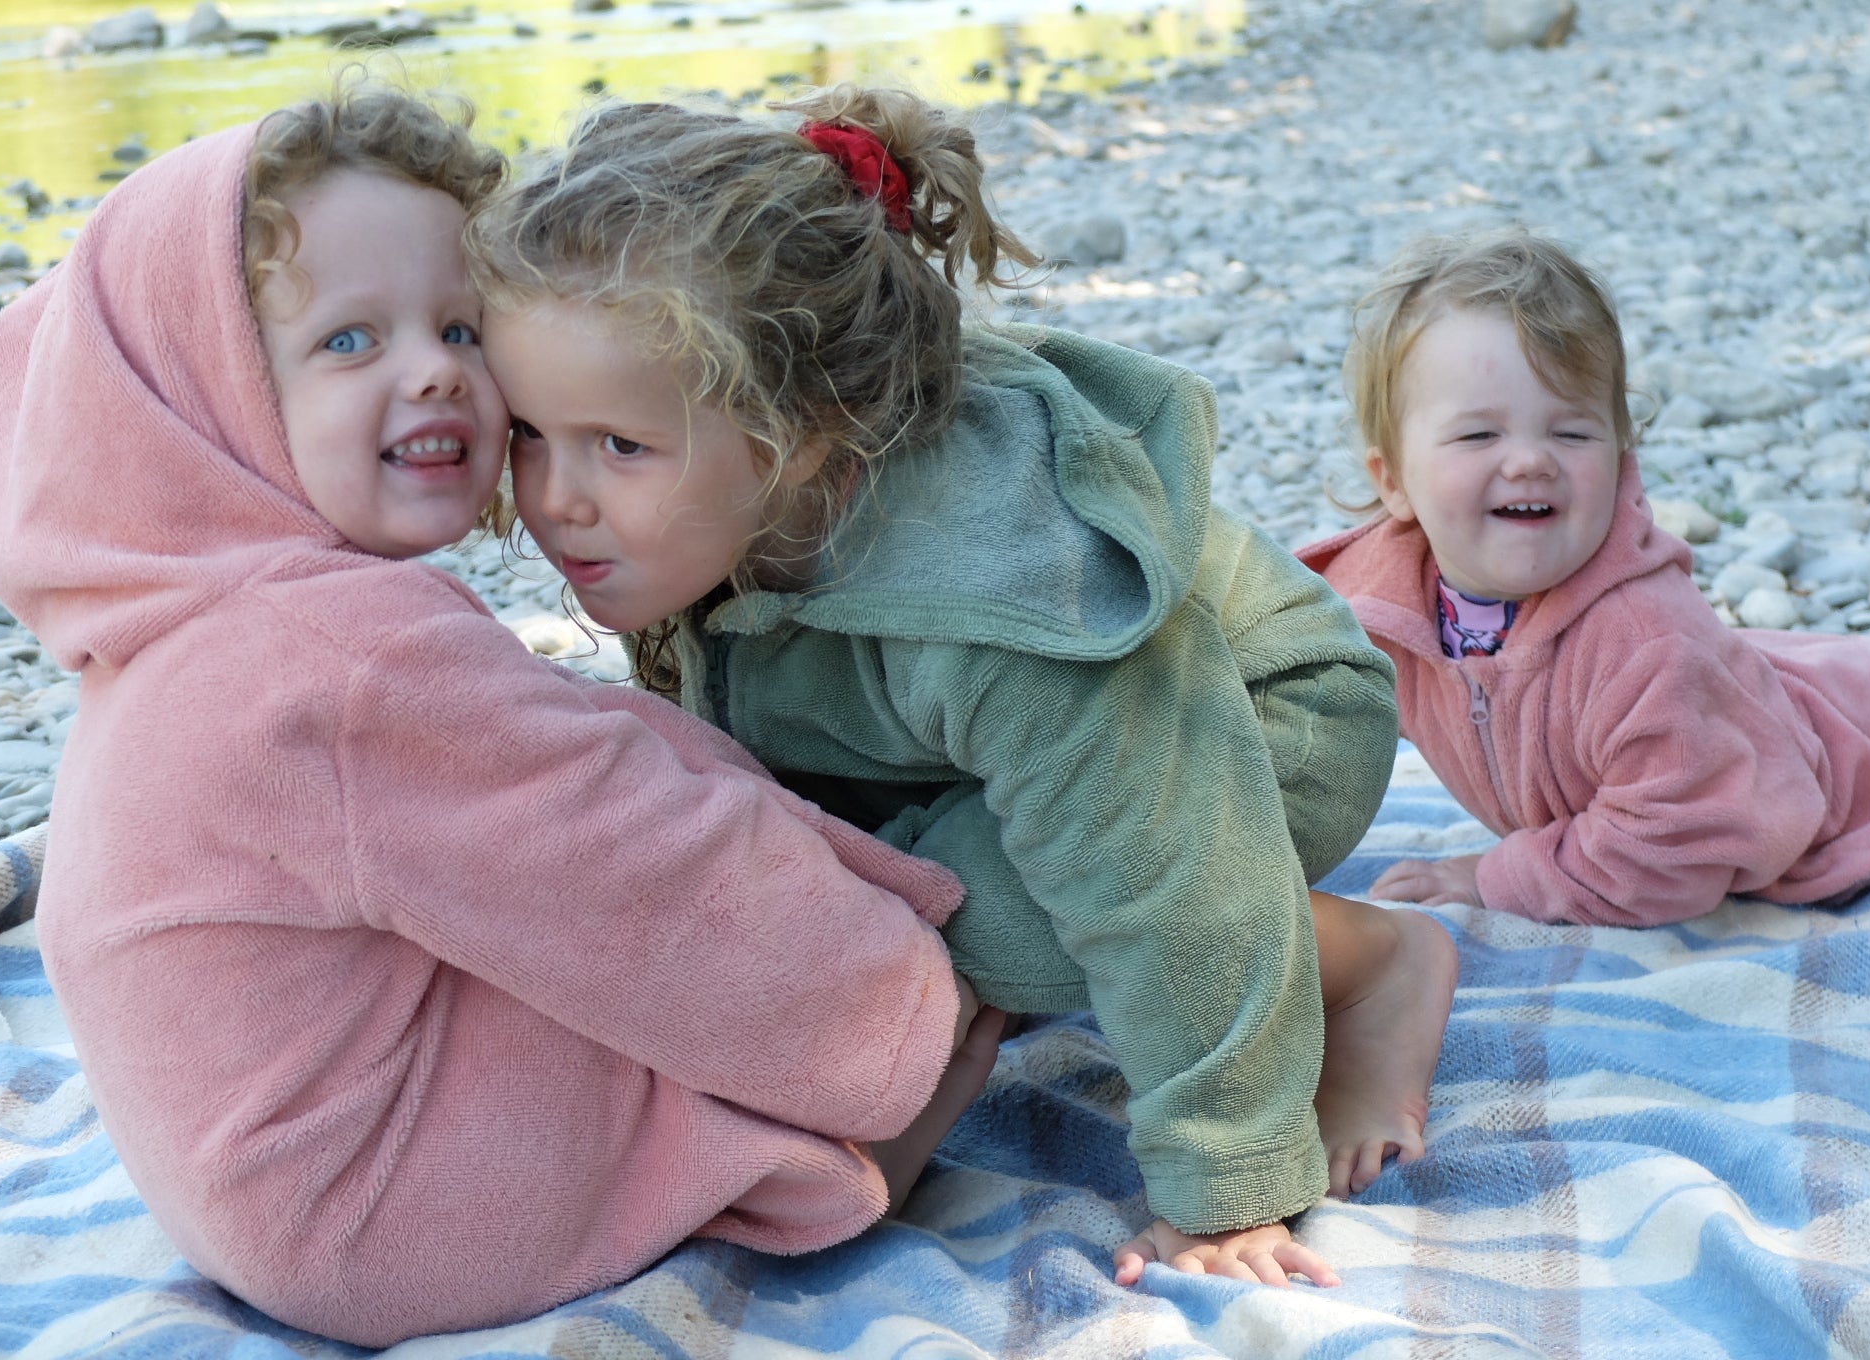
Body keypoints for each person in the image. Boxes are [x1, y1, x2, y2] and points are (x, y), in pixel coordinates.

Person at [0, 86, 1006, 1348]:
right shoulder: (336, 663)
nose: (434, 369)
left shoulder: (179, 629)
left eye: (458, 324)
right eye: (349, 342)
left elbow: (534, 782)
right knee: (929, 991)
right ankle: (850, 1144)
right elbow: (636, 871)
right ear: (206, 395)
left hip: (264, 1205)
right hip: (398, 1210)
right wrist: (898, 1006)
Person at [466, 87, 1461, 1289]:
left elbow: (1168, 858)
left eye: (617, 445)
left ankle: (1364, 961)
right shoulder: (707, 506)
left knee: (958, 929)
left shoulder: (996, 588)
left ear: (807, 434)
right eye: (528, 431)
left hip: (1251, 730)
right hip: (986, 757)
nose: (556, 495)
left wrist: (1225, 1186)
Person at [1301, 227, 1870, 926]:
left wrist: (1495, 877)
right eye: (1480, 435)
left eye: (1572, 433)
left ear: (1622, 455)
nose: (1531, 460)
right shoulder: (1377, 605)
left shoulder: (1648, 641)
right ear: (1394, 485)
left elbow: (1679, 850)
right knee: (1860, 675)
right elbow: (1268, 697)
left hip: (1825, 764)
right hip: (1756, 688)